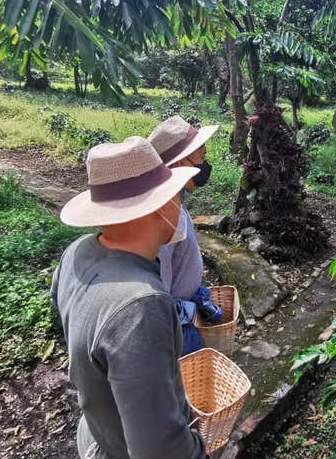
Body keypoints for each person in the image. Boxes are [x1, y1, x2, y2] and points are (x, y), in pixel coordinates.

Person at [52, 136, 208, 459]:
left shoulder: (76, 253)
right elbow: (162, 451)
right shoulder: (141, 308)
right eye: (173, 194)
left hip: (97, 435)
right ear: (161, 206)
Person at [147, 116, 221, 355]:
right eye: (200, 158)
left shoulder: (173, 201)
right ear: (179, 164)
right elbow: (160, 289)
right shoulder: (164, 218)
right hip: (177, 320)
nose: (205, 165)